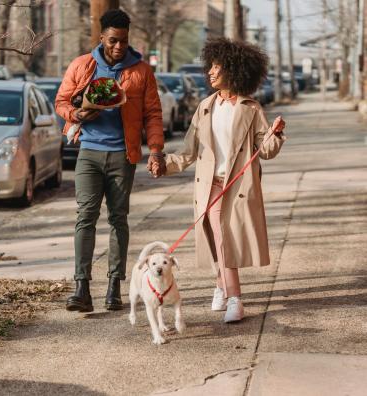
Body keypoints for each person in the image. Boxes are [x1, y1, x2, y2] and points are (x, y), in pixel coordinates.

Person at [153, 38, 286, 322]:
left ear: (235, 70)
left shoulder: (250, 109)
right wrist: (165, 166)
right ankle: (223, 287)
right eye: (210, 66)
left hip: (237, 186)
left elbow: (266, 151)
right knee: (218, 237)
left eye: (217, 67)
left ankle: (233, 296)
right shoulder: (205, 107)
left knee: (223, 238)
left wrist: (275, 133)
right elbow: (188, 152)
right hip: (210, 185)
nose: (210, 72)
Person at [56, 9, 166, 313]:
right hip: (88, 152)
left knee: (118, 219)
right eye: (113, 40)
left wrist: (155, 150)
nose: (118, 47)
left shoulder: (142, 71)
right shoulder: (83, 65)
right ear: (102, 36)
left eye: (124, 41)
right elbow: (62, 101)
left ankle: (114, 287)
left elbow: (153, 114)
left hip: (123, 155)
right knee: (85, 217)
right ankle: (81, 288)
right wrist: (75, 114)